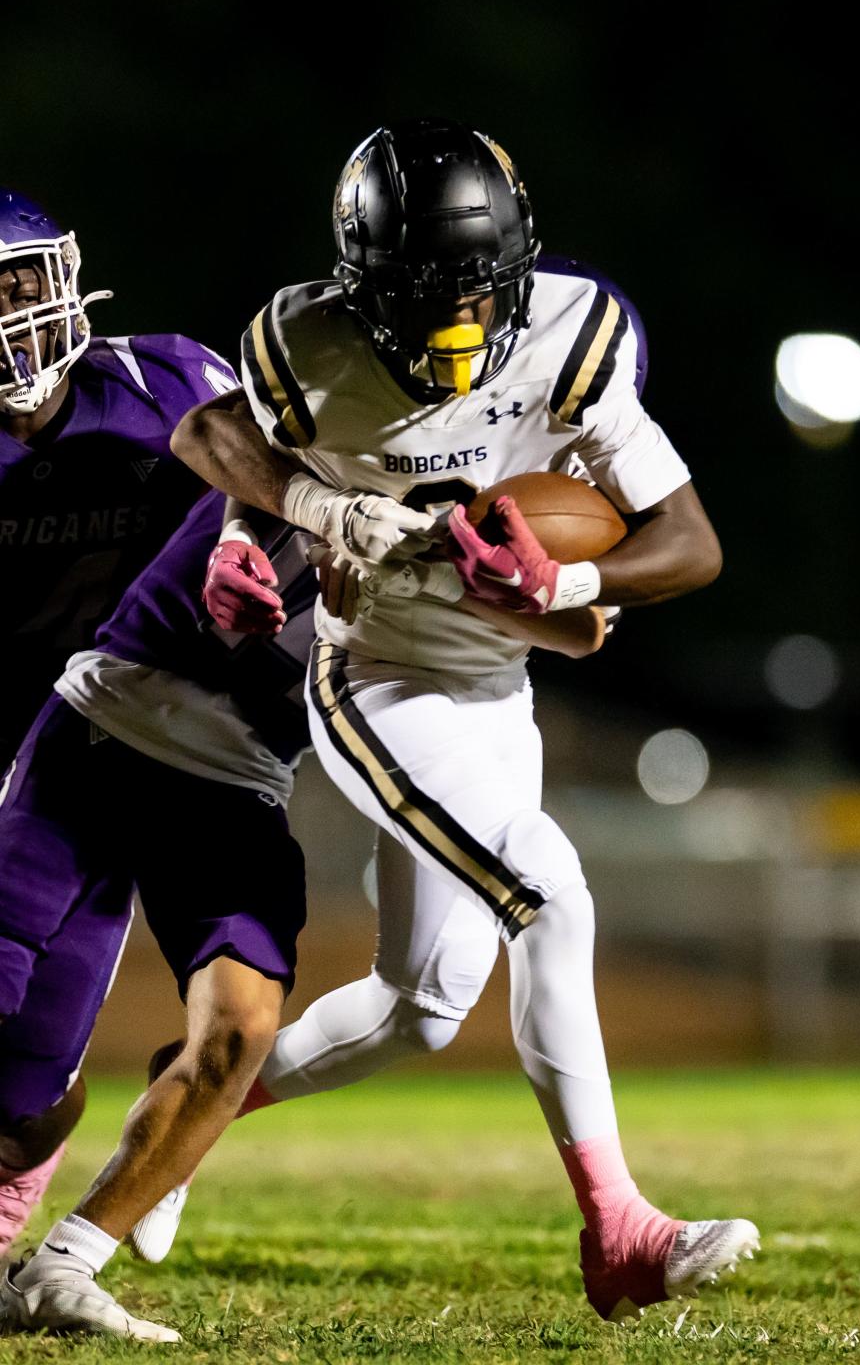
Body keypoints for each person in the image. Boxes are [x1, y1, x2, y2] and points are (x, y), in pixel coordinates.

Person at [162, 119, 759, 1323]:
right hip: (379, 676)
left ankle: (173, 1124)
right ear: (361, 285)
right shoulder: (305, 339)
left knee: (420, 1009)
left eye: (478, 297)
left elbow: (689, 541)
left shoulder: (572, 334)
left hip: (501, 683)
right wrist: (263, 533)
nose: (456, 330)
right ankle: (620, 1230)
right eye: (423, 302)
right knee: (551, 892)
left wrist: (570, 583)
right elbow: (216, 435)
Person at [0, 494, 609, 1341]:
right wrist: (299, 518)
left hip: (239, 776)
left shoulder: (479, 514)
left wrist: (532, 584)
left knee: (241, 1032)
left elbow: (587, 630)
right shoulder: (311, 439)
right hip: (112, 716)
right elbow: (224, 434)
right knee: (15, 1036)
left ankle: (61, 1269)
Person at [0, 190, 238, 1263]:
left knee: (33, 1078)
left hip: (115, 751)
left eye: (20, 283)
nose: (14, 315)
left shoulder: (165, 384)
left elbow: (282, 484)